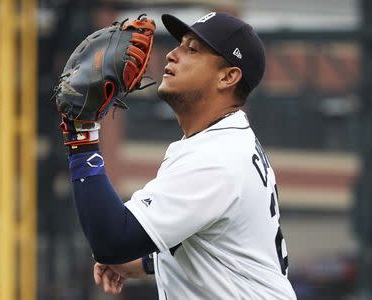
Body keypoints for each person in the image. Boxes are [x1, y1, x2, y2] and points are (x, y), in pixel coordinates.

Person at [64, 12, 297, 299]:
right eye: (179, 44)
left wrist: (82, 133)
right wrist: (148, 263)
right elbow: (219, 245)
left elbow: (112, 240)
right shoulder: (226, 142)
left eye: (192, 49)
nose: (172, 54)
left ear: (228, 76)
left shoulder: (218, 156)